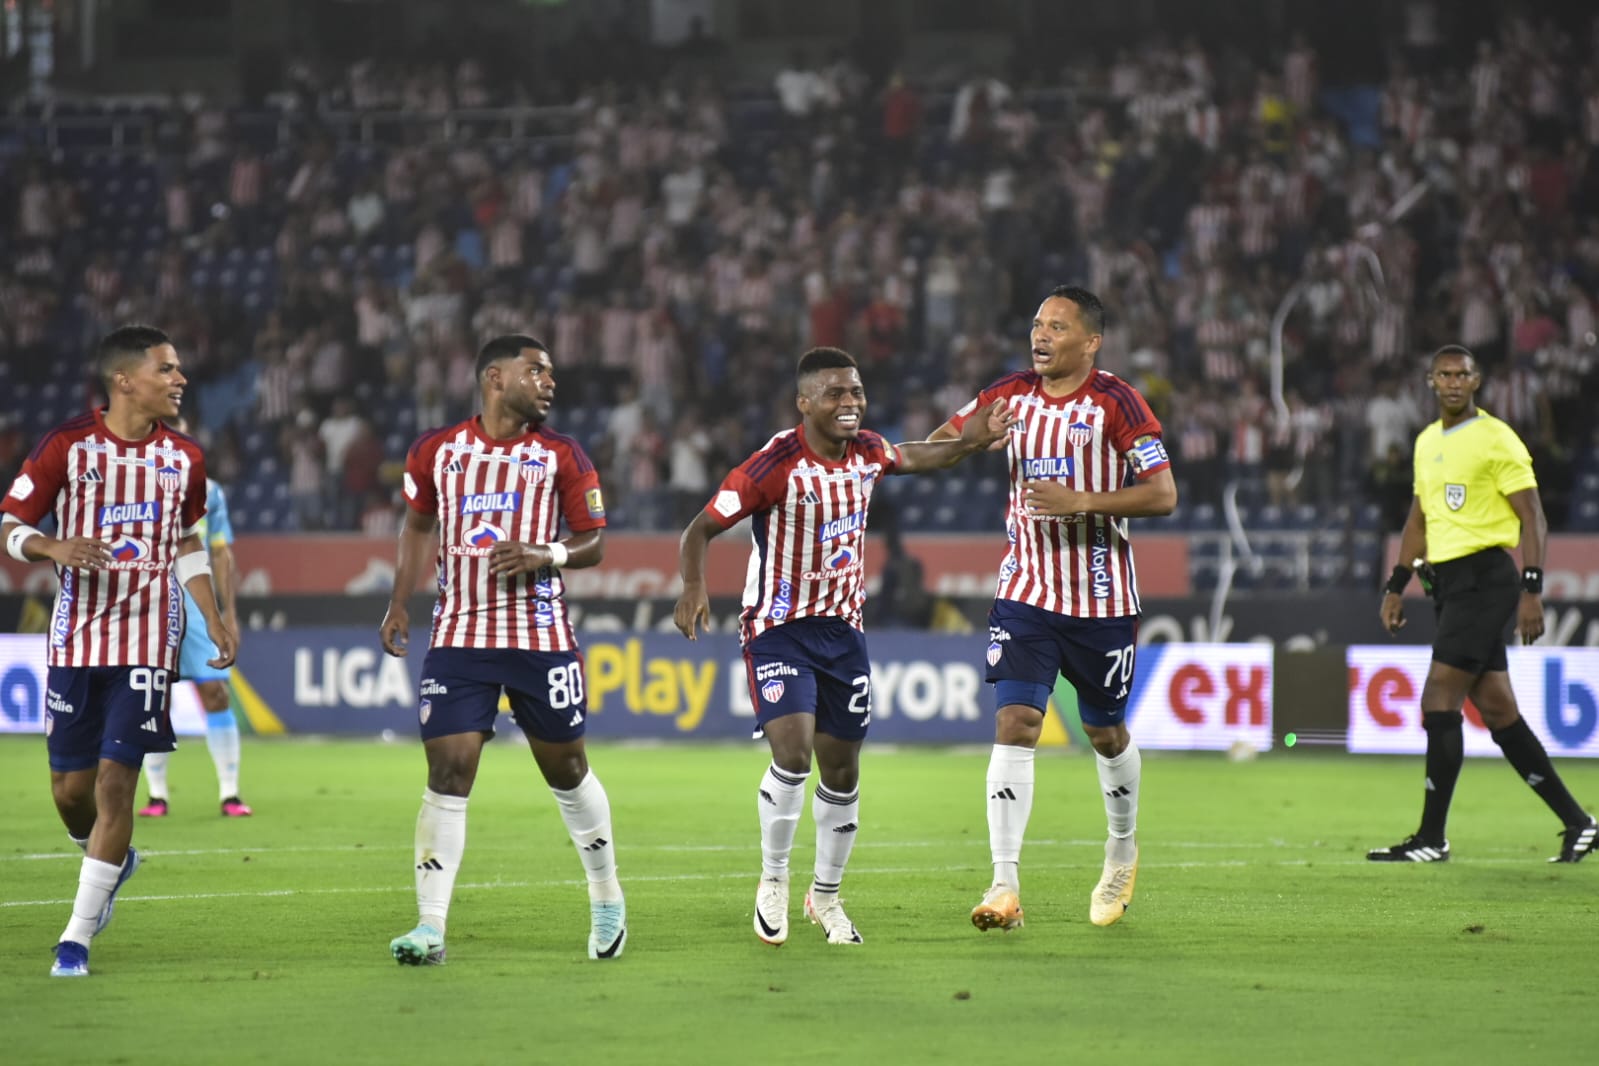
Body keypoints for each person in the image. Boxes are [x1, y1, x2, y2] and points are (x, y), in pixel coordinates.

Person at [674, 346, 1016, 946]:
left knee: (843, 768)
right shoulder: (773, 464)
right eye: (835, 393)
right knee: (793, 752)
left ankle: (826, 897)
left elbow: (914, 455)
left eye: (855, 392)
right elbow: (701, 526)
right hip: (778, 628)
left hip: (843, 632)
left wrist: (968, 442)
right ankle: (773, 881)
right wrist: (693, 585)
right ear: (804, 403)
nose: (850, 403)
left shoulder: (867, 452)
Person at [928, 285, 1177, 933]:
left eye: (1057, 327)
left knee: (1104, 733)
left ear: (1090, 342)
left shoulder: (1116, 403)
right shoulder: (1006, 394)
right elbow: (931, 448)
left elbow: (1162, 495)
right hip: (1024, 595)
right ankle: (1004, 883)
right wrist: (965, 441)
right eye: (1036, 324)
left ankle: (1120, 849)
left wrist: (1083, 501)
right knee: (1015, 722)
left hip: (1100, 603)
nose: (1039, 336)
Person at [380, 333, 626, 966]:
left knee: (567, 769)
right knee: (448, 770)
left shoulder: (562, 455)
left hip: (540, 639)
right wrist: (400, 600)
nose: (549, 381)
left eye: (551, 372)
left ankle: (606, 897)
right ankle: (430, 926)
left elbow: (594, 541)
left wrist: (547, 554)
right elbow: (416, 526)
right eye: (536, 371)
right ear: (495, 378)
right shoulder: (437, 451)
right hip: (460, 637)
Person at [1, 325, 237, 977]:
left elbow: (188, 543)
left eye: (179, 368)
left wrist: (212, 617)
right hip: (77, 642)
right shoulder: (68, 449)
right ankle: (109, 861)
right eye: (166, 368)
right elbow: (9, 525)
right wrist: (53, 548)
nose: (180, 379)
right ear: (124, 380)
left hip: (146, 643)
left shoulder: (185, 458)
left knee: (114, 784)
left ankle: (75, 938)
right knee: (69, 791)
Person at [1370, 345, 1597, 864]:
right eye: (1444, 374)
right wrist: (1395, 582)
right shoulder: (1427, 441)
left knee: (1439, 700)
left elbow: (1533, 516)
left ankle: (1431, 838)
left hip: (1486, 578)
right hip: (1447, 584)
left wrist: (1532, 588)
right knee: (1497, 709)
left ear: (1477, 381)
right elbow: (1419, 520)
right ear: (1430, 381)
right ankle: (1580, 822)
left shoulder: (1497, 438)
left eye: (1462, 374)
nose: (1453, 382)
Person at [137, 416, 251, 818]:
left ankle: (230, 793)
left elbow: (221, 552)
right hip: (150, 607)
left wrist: (229, 614)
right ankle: (157, 795)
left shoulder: (209, 491)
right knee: (155, 698)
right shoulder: (131, 481)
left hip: (198, 608)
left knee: (215, 693)